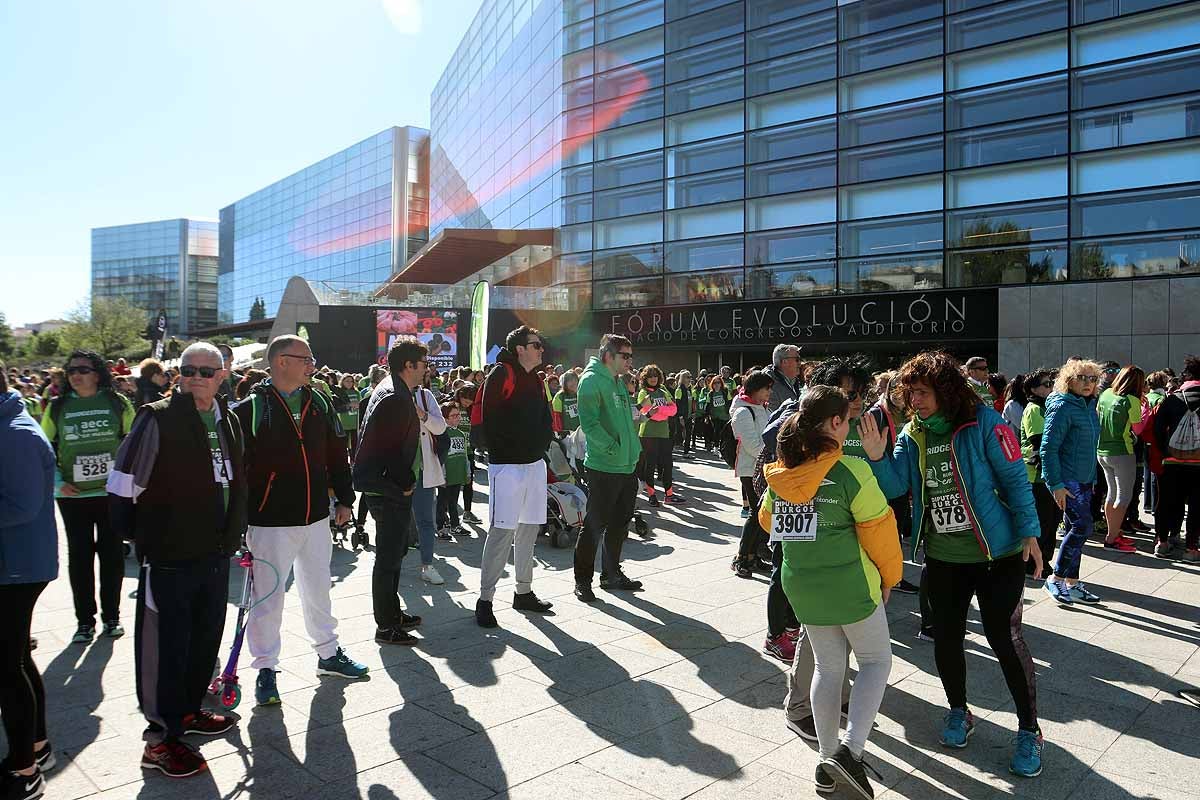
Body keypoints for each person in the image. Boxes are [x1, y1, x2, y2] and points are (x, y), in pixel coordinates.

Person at [861, 350, 1045, 779]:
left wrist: (1031, 533)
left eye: (921, 392)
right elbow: (896, 486)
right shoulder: (912, 433)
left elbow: (1016, 478)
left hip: (996, 554)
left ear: (944, 390)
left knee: (1005, 639)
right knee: (946, 639)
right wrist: (876, 456)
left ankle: (1029, 729)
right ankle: (960, 711)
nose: (914, 401)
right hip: (944, 558)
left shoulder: (985, 423)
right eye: (909, 393)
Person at [108, 343, 245, 779]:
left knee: (204, 639)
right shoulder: (157, 418)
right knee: (165, 648)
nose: (198, 377)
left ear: (223, 376)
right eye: (189, 370)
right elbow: (122, 485)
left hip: (215, 551)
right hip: (169, 555)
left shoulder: (230, 419)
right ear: (177, 374)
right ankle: (159, 739)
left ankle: (187, 714)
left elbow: (235, 479)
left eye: (207, 371)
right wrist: (143, 535)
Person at [763, 386, 901, 798]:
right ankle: (850, 752)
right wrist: (890, 578)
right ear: (837, 423)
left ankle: (827, 759)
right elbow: (881, 533)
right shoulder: (851, 471)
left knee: (827, 667)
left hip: (802, 585)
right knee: (876, 661)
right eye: (849, 420)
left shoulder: (783, 473)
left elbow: (769, 523)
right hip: (851, 585)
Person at [233, 335, 367, 708]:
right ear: (280, 362)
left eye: (311, 358)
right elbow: (237, 471)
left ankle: (328, 655)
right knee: (268, 598)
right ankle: (265, 669)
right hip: (268, 521)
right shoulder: (250, 409)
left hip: (315, 518)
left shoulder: (319, 402)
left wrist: (344, 498)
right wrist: (239, 521)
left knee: (318, 588)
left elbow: (337, 454)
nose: (312, 364)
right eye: (304, 358)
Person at [41, 351, 134, 643]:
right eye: (71, 371)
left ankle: (112, 617)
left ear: (98, 374)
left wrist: (128, 482)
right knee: (80, 558)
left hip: (110, 494)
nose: (76, 375)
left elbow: (135, 443)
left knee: (111, 556)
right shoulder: (58, 406)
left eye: (83, 369)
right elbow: (43, 449)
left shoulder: (116, 403)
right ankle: (84, 622)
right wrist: (57, 482)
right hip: (72, 496)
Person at [0, 364, 59, 799]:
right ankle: (36, 748)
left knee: (6, 667)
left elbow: (20, 505)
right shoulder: (11, 423)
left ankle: (23, 771)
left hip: (16, 566)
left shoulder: (15, 432)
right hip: (15, 563)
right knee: (16, 657)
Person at [475, 326, 555, 628]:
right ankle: (485, 600)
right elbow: (489, 419)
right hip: (507, 466)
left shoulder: (536, 379)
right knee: (501, 532)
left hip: (534, 464)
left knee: (529, 529)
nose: (541, 349)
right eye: (536, 345)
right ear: (520, 348)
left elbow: (546, 418)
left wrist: (542, 446)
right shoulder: (501, 374)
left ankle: (523, 591)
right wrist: (508, 450)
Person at [354, 338, 426, 646]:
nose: (427, 370)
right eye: (423, 364)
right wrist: (406, 483)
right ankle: (386, 626)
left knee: (394, 554)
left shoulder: (390, 388)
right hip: (388, 488)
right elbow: (391, 450)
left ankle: (393, 614)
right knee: (388, 558)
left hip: (384, 485)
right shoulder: (395, 395)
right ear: (408, 365)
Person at [574, 334, 644, 601]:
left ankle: (611, 574)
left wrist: (634, 450)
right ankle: (583, 580)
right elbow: (589, 425)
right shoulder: (592, 381)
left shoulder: (617, 381)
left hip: (626, 464)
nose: (630, 361)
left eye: (630, 355)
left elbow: (626, 421)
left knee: (620, 524)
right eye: (625, 355)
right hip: (604, 466)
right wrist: (614, 447)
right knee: (594, 525)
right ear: (608, 355)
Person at [1040, 358, 1107, 604]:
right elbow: (1048, 448)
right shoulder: (1062, 406)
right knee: (1082, 526)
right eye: (1082, 378)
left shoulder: (1089, 405)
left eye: (1093, 378)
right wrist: (1055, 484)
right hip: (1068, 479)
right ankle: (1055, 578)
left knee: (1073, 528)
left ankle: (1072, 582)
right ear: (1069, 380)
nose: (1089, 383)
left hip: (1085, 478)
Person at [1152, 355, 1200, 560]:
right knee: (1197, 505)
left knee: (1166, 502)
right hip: (1198, 464)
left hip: (1171, 461)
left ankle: (1162, 542)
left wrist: (1166, 450)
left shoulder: (1172, 398)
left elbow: (1156, 428)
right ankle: (1191, 548)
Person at [1096, 365, 1146, 554]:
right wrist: (1144, 411)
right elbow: (1138, 430)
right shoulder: (1131, 400)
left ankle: (1113, 533)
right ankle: (1112, 538)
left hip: (1102, 451)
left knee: (1112, 493)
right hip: (1122, 451)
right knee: (1123, 496)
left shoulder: (1106, 393)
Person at [1019, 369, 1062, 574]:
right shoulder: (1034, 409)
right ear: (1033, 389)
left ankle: (1044, 560)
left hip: (1050, 474)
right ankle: (1034, 563)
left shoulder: (1048, 407)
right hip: (1036, 475)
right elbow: (1039, 440)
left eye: (1051, 383)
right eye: (1046, 384)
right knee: (1043, 521)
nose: (1050, 387)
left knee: (1053, 520)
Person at [412, 373, 449, 580]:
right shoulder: (388, 394)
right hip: (396, 472)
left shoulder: (425, 396)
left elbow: (440, 427)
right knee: (396, 522)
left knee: (426, 520)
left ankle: (427, 565)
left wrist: (421, 414)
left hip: (423, 470)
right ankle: (391, 566)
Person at [636, 365, 680, 507]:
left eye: (655, 376)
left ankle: (669, 495)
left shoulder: (663, 390)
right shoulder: (643, 393)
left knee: (667, 464)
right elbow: (649, 412)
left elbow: (674, 410)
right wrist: (663, 412)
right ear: (645, 378)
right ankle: (651, 495)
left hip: (663, 433)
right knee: (650, 465)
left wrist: (660, 410)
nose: (653, 378)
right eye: (650, 376)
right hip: (648, 433)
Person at [731, 372, 771, 522]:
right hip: (751, 470)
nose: (770, 392)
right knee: (756, 515)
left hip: (763, 467)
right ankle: (748, 546)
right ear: (756, 389)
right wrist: (771, 455)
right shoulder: (743, 412)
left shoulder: (763, 408)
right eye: (767, 388)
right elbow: (752, 446)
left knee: (761, 515)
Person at [435, 402, 469, 537]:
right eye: (453, 416)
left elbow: (464, 455)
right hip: (446, 475)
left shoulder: (460, 433)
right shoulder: (442, 434)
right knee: (442, 501)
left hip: (457, 474)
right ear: (445, 418)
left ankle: (454, 524)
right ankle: (441, 526)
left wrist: (467, 472)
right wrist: (441, 475)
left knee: (454, 501)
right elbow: (441, 457)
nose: (458, 418)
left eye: (458, 415)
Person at [763, 344, 803, 412]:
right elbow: (772, 417)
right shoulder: (769, 385)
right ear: (784, 362)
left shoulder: (795, 381)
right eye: (797, 359)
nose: (800, 363)